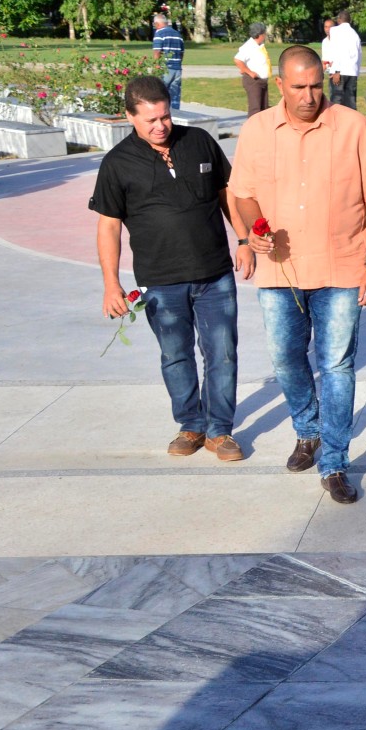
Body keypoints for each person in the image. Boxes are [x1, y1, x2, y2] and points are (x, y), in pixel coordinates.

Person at [230, 46, 366, 505]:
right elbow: (242, 193)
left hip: (343, 266)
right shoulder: (258, 130)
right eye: (298, 87)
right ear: (279, 84)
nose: (308, 96)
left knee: (338, 365)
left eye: (315, 86)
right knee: (286, 358)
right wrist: (251, 233)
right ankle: (308, 431)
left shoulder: (355, 128)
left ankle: (336, 461)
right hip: (279, 271)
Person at [91, 75, 252, 461]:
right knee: (175, 355)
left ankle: (220, 431)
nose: (160, 126)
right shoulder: (117, 164)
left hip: (214, 273)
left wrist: (244, 240)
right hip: (159, 282)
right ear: (129, 117)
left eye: (164, 116)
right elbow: (109, 226)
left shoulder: (198, 141)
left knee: (222, 352)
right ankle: (191, 425)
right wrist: (111, 284)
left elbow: (225, 192)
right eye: (150, 120)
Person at [232, 23, 271, 116]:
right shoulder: (249, 46)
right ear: (259, 35)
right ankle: (252, 129)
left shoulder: (260, 45)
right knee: (255, 109)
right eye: (264, 34)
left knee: (264, 108)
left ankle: (262, 129)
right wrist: (248, 71)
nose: (265, 36)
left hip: (262, 80)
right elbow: (237, 60)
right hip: (253, 81)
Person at [327, 10, 362, 110]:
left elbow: (337, 51)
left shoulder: (335, 31)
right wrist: (356, 72)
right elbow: (359, 55)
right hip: (352, 71)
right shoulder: (355, 34)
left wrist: (336, 70)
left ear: (339, 20)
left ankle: (336, 124)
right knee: (350, 102)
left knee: (336, 101)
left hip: (340, 71)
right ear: (349, 21)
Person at [151, 13, 186, 110]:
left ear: (157, 24)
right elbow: (182, 52)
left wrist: (156, 66)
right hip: (177, 68)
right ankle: (175, 117)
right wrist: (178, 63)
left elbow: (157, 52)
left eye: (154, 24)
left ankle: (162, 115)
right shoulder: (177, 34)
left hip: (165, 68)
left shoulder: (159, 33)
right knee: (175, 96)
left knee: (160, 94)